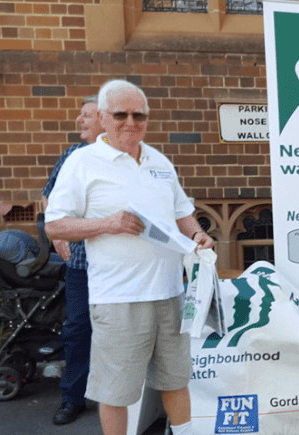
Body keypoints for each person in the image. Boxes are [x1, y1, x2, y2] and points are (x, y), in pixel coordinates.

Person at [45, 79, 214, 435]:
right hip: (119, 298)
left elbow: (182, 213)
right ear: (103, 117)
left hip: (170, 293)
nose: (130, 122)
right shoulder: (82, 162)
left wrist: (197, 234)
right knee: (116, 392)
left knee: (175, 381)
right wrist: (108, 223)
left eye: (139, 115)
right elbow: (55, 226)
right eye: (120, 114)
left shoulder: (159, 160)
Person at [42, 94, 101, 425]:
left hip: (121, 266)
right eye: (80, 114)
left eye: (87, 115)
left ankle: (132, 400)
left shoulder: (126, 156)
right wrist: (58, 231)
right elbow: (49, 195)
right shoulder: (72, 155)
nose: (80, 120)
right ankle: (72, 397)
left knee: (124, 330)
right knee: (78, 329)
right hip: (80, 264)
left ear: (104, 119)